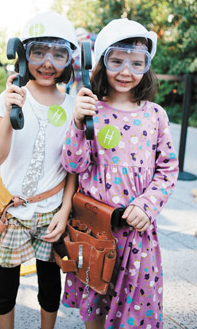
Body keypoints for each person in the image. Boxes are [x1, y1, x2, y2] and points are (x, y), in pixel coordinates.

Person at [61, 18, 179, 329]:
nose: (126, 71)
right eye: (116, 61)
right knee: (95, 302)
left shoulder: (155, 115)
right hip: (96, 230)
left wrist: (147, 205)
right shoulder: (91, 111)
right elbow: (74, 165)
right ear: (100, 63)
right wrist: (76, 123)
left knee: (136, 307)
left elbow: (167, 168)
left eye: (136, 63)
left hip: (137, 234)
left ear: (146, 67)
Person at [0, 11, 78, 329]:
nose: (48, 62)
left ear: (70, 59)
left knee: (50, 284)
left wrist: (65, 210)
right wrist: (11, 109)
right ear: (22, 54)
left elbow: (73, 167)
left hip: (51, 211)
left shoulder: (71, 106)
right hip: (13, 211)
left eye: (58, 53)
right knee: (5, 287)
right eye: (38, 51)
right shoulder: (10, 98)